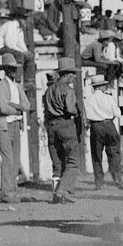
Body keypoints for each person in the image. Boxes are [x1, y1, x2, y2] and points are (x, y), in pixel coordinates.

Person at [44, 58, 81, 204]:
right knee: (73, 160)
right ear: (66, 74)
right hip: (65, 124)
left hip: (51, 126)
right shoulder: (68, 90)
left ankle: (56, 194)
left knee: (58, 162)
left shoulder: (49, 90)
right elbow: (70, 109)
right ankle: (63, 190)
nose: (74, 77)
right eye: (72, 74)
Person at [0, 53, 30, 203]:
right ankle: (7, 194)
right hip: (5, 125)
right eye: (12, 69)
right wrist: (18, 110)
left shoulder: (17, 86)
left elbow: (27, 105)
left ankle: (12, 191)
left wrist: (15, 106)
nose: (15, 72)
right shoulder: (1, 86)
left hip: (16, 124)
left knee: (15, 160)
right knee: (7, 159)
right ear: (7, 70)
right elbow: (3, 108)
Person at [84, 74, 123, 190]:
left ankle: (99, 182)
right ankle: (117, 179)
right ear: (101, 86)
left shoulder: (88, 100)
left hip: (96, 126)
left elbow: (87, 117)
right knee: (114, 153)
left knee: (97, 155)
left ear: (93, 87)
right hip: (109, 125)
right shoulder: (109, 98)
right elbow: (118, 114)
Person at [0, 7, 31, 81]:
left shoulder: (20, 29)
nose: (25, 21)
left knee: (28, 55)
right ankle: (18, 79)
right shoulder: (11, 25)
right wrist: (22, 52)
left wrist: (26, 51)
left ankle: (27, 78)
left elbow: (20, 43)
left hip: (6, 48)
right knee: (19, 55)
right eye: (24, 18)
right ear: (19, 18)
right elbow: (9, 44)